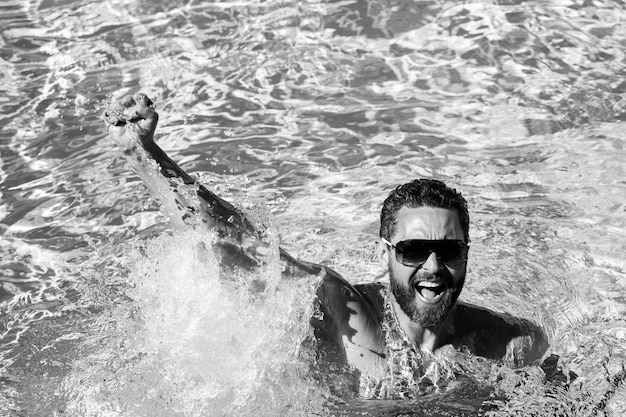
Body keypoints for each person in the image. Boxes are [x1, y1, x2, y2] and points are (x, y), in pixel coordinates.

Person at [103, 92, 548, 399]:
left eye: (448, 250)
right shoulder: (350, 311)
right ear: (385, 252)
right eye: (413, 249)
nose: (433, 267)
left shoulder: (508, 342)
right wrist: (146, 156)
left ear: (467, 253)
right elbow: (241, 244)